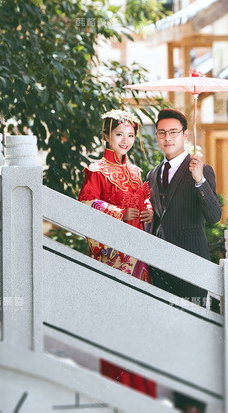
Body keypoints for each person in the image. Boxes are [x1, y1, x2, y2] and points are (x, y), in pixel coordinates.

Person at [147, 108, 222, 413]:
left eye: (173, 132)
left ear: (185, 135)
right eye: (162, 133)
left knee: (196, 332)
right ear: (157, 136)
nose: (168, 138)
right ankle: (180, 401)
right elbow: (158, 218)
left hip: (192, 264)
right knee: (172, 333)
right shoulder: (153, 174)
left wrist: (199, 180)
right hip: (161, 267)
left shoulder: (200, 169)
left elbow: (214, 216)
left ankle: (196, 404)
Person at [77, 109, 156, 398]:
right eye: (119, 134)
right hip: (114, 258)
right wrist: (120, 213)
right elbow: (85, 205)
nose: (125, 140)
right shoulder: (96, 170)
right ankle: (117, 389)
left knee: (141, 321)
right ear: (106, 136)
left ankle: (143, 390)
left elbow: (143, 202)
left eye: (130, 135)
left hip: (139, 255)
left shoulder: (136, 172)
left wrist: (148, 212)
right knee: (116, 321)